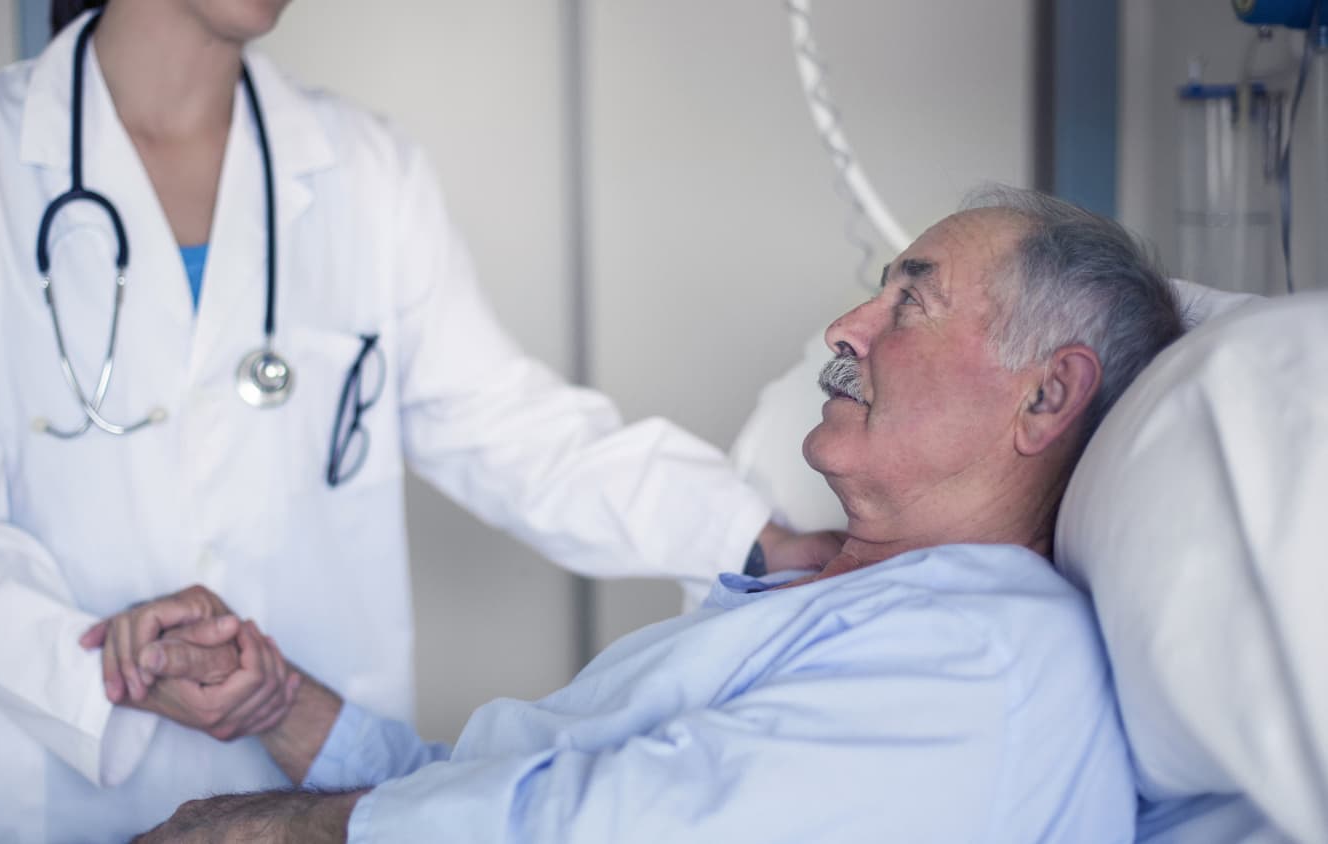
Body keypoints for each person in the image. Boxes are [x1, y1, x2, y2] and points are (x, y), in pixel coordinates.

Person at [0, 1, 830, 839]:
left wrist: (748, 534)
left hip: (298, 796)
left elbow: (504, 426)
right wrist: (99, 665)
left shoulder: (363, 168)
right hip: (33, 791)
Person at [132, 186, 1186, 842]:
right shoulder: (842, 606)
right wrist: (283, 713)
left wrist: (286, 831)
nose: (846, 327)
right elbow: (499, 795)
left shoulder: (993, 658)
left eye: (909, 299)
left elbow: (603, 827)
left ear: (1045, 396)